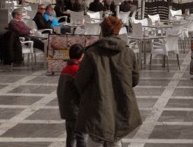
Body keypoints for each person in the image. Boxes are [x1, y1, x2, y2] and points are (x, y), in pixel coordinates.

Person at [75, 16, 142, 147]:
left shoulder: (92, 53)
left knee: (95, 139)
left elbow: (80, 80)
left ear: (102, 31)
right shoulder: (128, 52)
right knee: (116, 138)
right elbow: (135, 79)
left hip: (96, 103)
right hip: (120, 102)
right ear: (118, 31)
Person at [57, 44, 87, 147]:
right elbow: (81, 90)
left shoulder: (66, 68)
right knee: (81, 136)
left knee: (71, 136)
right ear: (82, 55)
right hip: (75, 109)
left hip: (67, 109)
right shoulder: (77, 70)